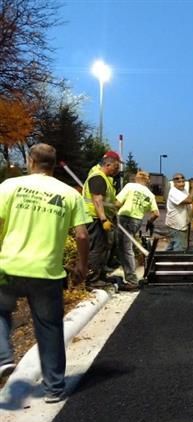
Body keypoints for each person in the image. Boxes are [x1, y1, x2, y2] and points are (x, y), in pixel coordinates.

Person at [0, 144, 90, 402]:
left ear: (30, 161)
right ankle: (54, 389)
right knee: (49, 328)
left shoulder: (9, 187)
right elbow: (82, 235)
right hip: (47, 272)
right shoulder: (69, 194)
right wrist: (82, 266)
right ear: (53, 164)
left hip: (8, 267)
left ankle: (4, 358)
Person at [114, 171, 159, 288]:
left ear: (136, 178)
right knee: (125, 247)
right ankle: (126, 273)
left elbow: (117, 204)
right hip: (137, 221)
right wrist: (149, 222)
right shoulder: (150, 194)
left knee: (125, 248)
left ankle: (131, 280)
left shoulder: (130, 186)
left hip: (124, 218)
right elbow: (156, 213)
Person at [83, 151, 122, 285]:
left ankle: (100, 275)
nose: (116, 170)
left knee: (103, 248)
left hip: (99, 218)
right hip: (95, 219)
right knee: (96, 248)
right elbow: (97, 199)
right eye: (115, 167)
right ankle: (93, 280)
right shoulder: (98, 177)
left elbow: (106, 200)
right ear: (108, 164)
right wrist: (103, 219)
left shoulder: (105, 178)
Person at [165, 173, 193, 251]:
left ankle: (165, 260)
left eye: (182, 179)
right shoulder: (174, 192)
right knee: (180, 248)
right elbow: (189, 200)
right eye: (177, 179)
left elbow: (190, 199)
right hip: (177, 226)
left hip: (179, 225)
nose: (180, 180)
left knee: (172, 246)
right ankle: (176, 262)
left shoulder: (184, 191)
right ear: (174, 182)